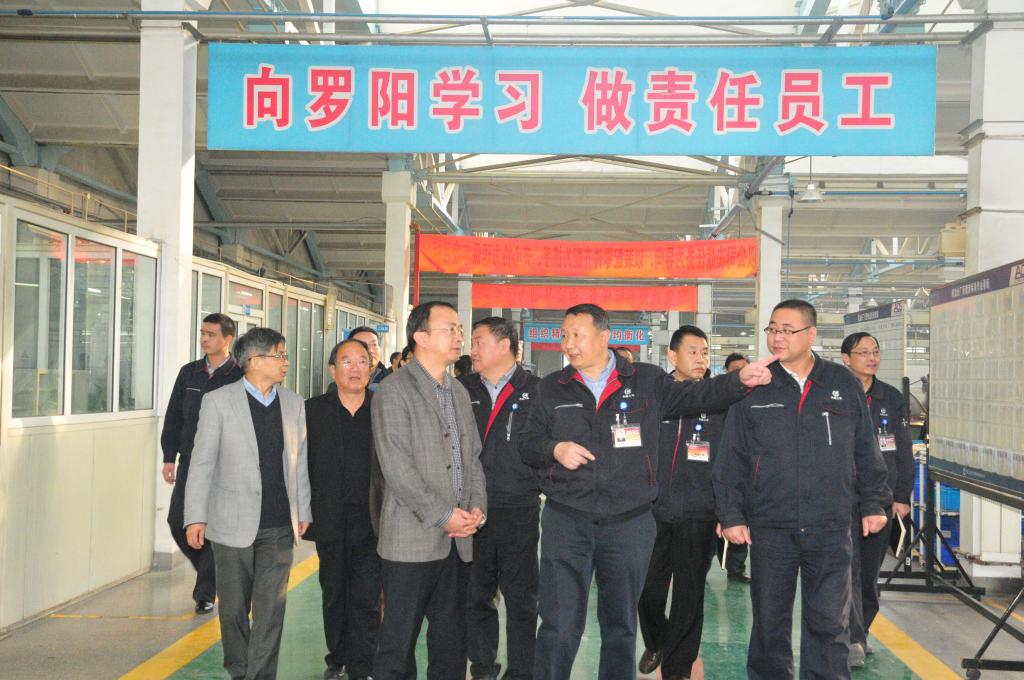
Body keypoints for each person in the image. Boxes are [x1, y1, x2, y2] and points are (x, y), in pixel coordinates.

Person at [518, 303, 776, 680]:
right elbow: (527, 442)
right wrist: (554, 449)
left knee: (621, 625)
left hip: (629, 524)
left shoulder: (646, 381)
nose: (568, 344)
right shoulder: (550, 388)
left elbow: (698, 395)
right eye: (563, 336)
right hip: (567, 520)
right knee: (558, 623)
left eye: (577, 335)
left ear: (603, 338)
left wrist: (740, 380)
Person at [714, 300, 891, 680]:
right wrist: (731, 514)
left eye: (787, 330)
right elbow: (732, 456)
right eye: (772, 329)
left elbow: (866, 448)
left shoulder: (841, 383)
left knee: (829, 624)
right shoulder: (755, 385)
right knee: (769, 623)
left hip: (830, 525)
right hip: (771, 526)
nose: (777, 337)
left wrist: (874, 503)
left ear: (811, 334)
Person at [184, 327, 312, 680]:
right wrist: (195, 516)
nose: (285, 362)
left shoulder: (294, 403)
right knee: (234, 611)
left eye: (284, 355)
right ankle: (239, 670)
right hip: (231, 524)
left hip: (279, 524)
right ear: (254, 361)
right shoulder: (218, 402)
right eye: (279, 355)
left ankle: (259, 676)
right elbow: (202, 462)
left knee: (271, 611)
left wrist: (303, 510)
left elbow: (299, 461)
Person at [371, 301, 487, 680]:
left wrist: (476, 509)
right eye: (449, 329)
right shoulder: (394, 391)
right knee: (398, 644)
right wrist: (445, 515)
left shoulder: (458, 391)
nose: (459, 336)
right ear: (420, 336)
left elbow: (472, 458)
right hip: (411, 541)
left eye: (459, 329)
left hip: (458, 542)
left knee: (451, 643)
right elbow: (397, 469)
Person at [638, 325, 725, 680]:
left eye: (705, 352)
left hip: (698, 513)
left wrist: (726, 510)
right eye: (693, 351)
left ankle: (678, 668)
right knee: (647, 590)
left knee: (689, 596)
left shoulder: (719, 402)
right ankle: (657, 641)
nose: (701, 358)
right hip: (652, 511)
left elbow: (729, 461)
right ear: (672, 356)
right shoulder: (654, 397)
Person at [459, 317, 541, 680]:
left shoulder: (536, 390)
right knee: (476, 595)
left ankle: (522, 671)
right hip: (472, 510)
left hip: (518, 508)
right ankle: (482, 668)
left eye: (479, 341)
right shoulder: (461, 389)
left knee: (522, 598)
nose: (472, 350)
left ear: (505, 344)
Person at [305, 338, 384, 680]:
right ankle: (337, 658)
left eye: (362, 361)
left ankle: (362, 665)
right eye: (347, 362)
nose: (355, 369)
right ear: (332, 370)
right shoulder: (313, 411)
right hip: (329, 518)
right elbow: (298, 466)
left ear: (371, 368)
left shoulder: (382, 409)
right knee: (334, 592)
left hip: (373, 520)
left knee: (367, 595)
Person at [841, 332, 914, 668]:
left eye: (875, 352)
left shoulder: (891, 398)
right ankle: (851, 638)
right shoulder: (837, 393)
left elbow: (903, 449)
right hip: (843, 498)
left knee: (869, 574)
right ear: (846, 358)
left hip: (881, 500)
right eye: (863, 352)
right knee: (847, 570)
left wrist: (901, 496)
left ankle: (862, 630)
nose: (872, 358)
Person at [160, 313, 243, 614]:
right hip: (191, 460)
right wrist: (169, 456)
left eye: (211, 334)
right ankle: (211, 574)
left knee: (214, 526)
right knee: (177, 521)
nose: (204, 339)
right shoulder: (189, 373)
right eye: (202, 333)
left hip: (225, 463)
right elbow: (174, 416)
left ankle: (205, 591)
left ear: (227, 339)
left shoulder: (239, 376)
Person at [716, 351, 751, 583]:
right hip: (714, 466)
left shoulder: (752, 395)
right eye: (735, 369)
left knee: (739, 516)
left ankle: (736, 567)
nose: (740, 372)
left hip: (739, 469)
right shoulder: (716, 395)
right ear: (726, 371)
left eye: (743, 367)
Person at [350, 326, 388, 390]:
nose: (370, 350)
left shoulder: (393, 382)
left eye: (374, 344)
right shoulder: (339, 384)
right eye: (362, 345)